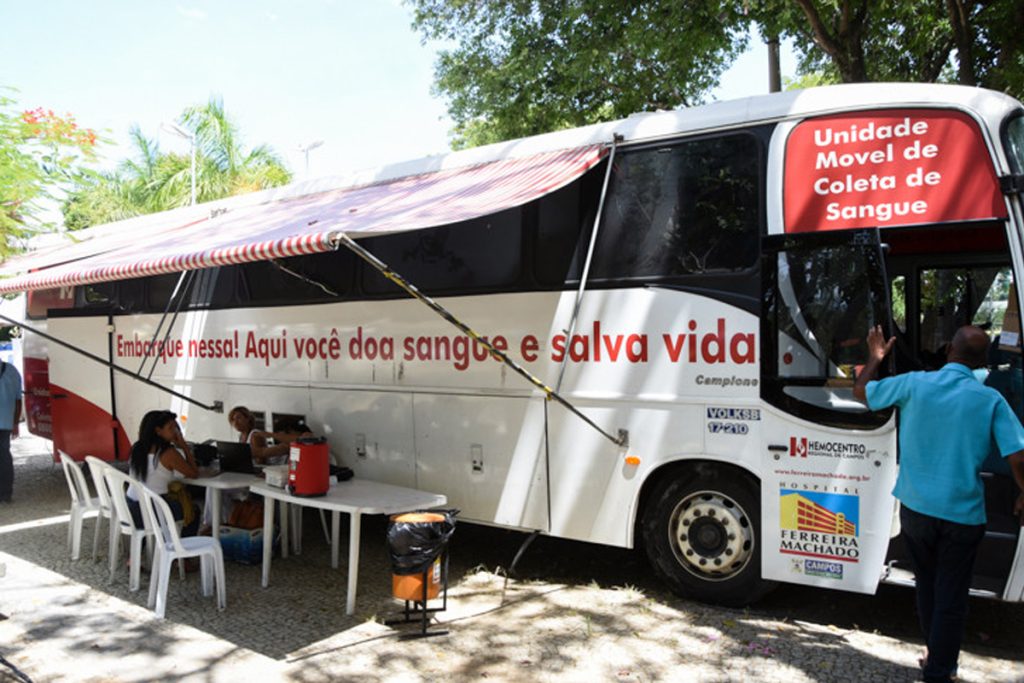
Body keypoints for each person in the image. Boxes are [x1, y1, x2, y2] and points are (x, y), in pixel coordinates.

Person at [854, 325, 1024, 683]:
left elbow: (862, 393)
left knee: (928, 585)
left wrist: (876, 357)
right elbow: (1018, 456)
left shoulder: (915, 383)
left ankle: (936, 656)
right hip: (962, 515)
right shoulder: (990, 399)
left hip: (916, 509)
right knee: (951, 593)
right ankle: (939, 669)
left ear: (948, 351)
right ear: (984, 363)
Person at [126, 410, 200, 537]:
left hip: (130, 507)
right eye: (171, 428)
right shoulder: (168, 453)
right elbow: (194, 473)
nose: (176, 431)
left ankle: (138, 549)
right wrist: (184, 447)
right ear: (158, 431)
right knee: (194, 510)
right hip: (151, 511)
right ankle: (181, 552)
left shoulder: (137, 448)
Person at [229, 406, 310, 465]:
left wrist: (271, 435)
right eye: (233, 419)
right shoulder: (285, 446)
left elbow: (262, 453)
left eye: (239, 418)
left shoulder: (303, 441)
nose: (235, 422)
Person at [0, 359, 22, 504]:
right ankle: (6, 493)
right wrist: (15, 423)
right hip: (6, 423)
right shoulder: (12, 371)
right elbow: (18, 400)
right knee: (5, 457)